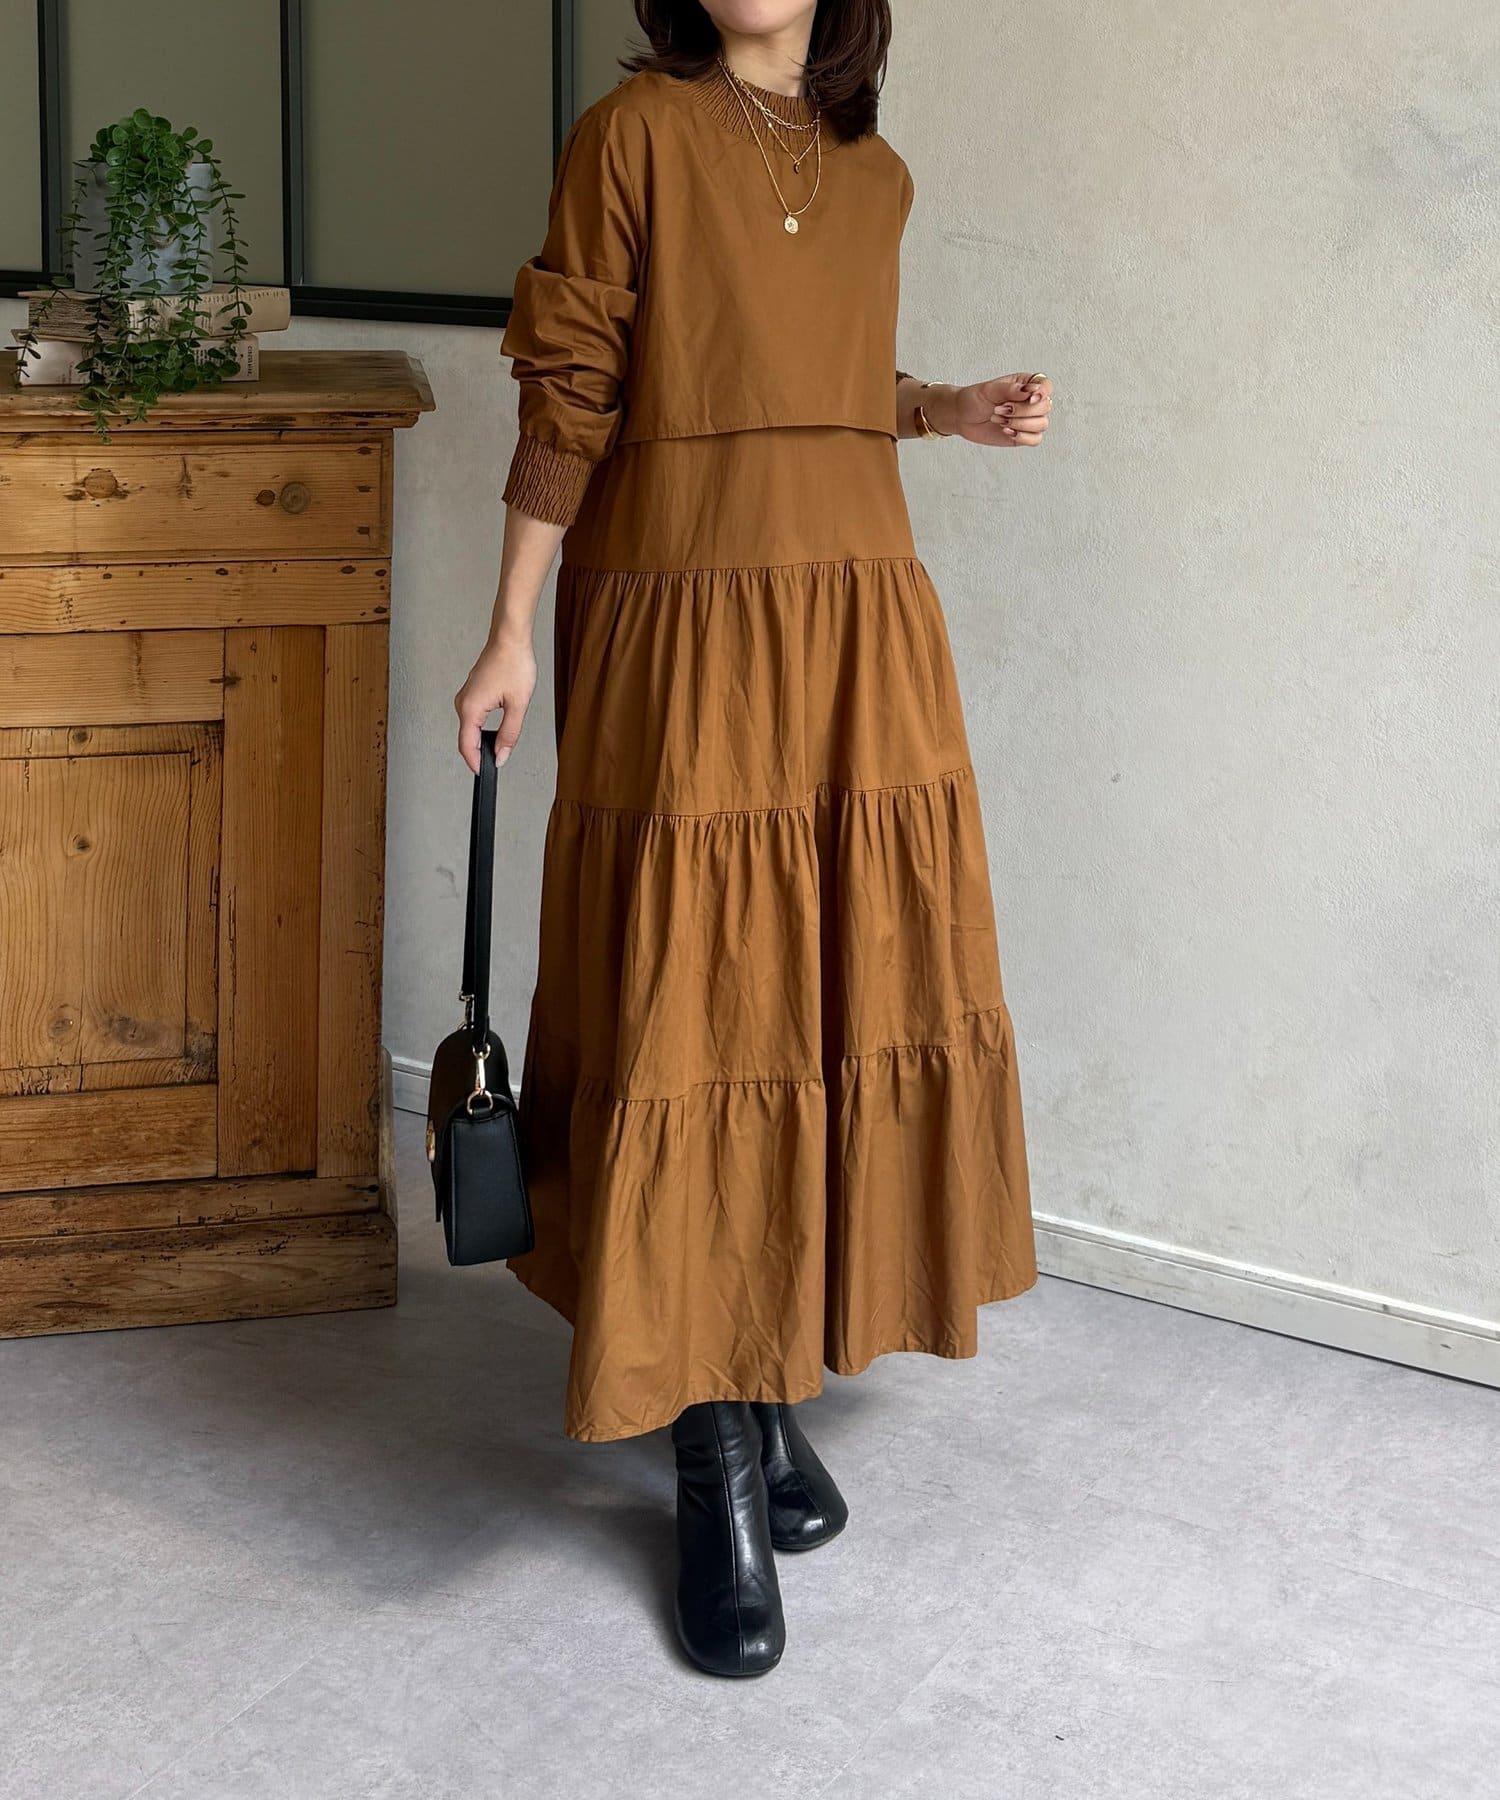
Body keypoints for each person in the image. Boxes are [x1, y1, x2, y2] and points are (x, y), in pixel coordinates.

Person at [455, 0, 1050, 1678]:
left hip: (857, 617)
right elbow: (575, 391)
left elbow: (820, 380)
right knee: (699, 1009)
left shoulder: (877, 173)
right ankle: (713, 1455)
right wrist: (509, 629)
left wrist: (947, 409)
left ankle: (764, 1381)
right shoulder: (632, 135)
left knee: (825, 999)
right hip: (685, 615)